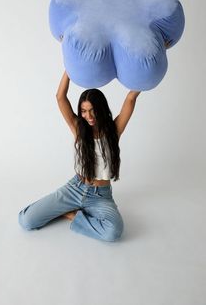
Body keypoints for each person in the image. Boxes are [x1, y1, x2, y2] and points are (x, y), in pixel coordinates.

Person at [18, 71, 140, 242]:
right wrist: (69, 68)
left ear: (101, 109)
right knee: (26, 220)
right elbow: (60, 97)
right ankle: (70, 208)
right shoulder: (78, 129)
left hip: (100, 196)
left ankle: (73, 215)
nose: (88, 116)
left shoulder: (114, 131)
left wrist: (143, 74)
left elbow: (130, 99)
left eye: (92, 111)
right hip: (74, 189)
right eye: (83, 111)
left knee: (113, 232)